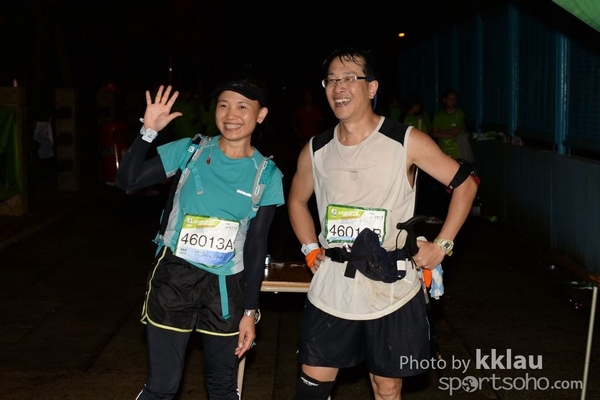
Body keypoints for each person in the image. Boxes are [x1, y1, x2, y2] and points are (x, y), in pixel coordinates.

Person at [287, 47, 478, 400]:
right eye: (331, 80)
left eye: (349, 78)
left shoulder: (405, 141)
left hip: (391, 286)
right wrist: (311, 248)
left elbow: (466, 184)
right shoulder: (316, 149)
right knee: (311, 387)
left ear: (372, 87)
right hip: (333, 285)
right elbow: (297, 201)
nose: (339, 87)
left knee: (387, 388)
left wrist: (443, 245)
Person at [114, 79, 285, 400]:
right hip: (174, 278)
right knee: (162, 387)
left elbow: (255, 246)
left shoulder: (267, 174)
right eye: (223, 105)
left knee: (223, 386)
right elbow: (127, 179)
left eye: (242, 107)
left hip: (226, 289)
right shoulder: (190, 150)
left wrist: (250, 312)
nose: (231, 115)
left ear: (260, 115)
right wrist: (147, 132)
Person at [431, 88, 466, 159]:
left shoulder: (459, 114)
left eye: (455, 99)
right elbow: (434, 133)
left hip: (457, 151)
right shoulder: (438, 115)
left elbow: (456, 131)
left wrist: (441, 132)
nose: (453, 102)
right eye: (450, 99)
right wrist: (451, 134)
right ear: (445, 100)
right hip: (443, 150)